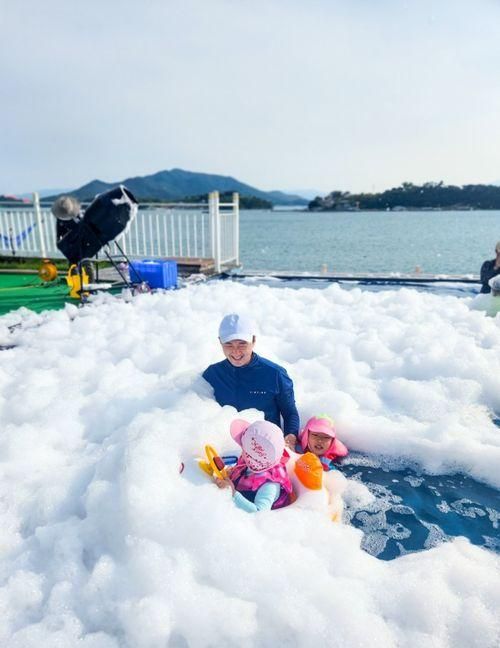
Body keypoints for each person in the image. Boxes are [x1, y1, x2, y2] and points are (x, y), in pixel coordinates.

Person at [203, 313, 300, 441]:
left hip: (266, 446)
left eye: (242, 344)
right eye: (229, 344)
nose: (236, 351)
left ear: (253, 340)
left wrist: (291, 437)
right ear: (220, 342)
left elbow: (290, 413)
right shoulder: (211, 374)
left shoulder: (276, 374)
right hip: (225, 445)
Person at [214, 419, 293, 512]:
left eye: (243, 448)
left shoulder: (270, 486)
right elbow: (245, 467)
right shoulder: (257, 462)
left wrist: (232, 493)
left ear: (250, 457)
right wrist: (232, 473)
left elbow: (259, 513)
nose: (242, 450)